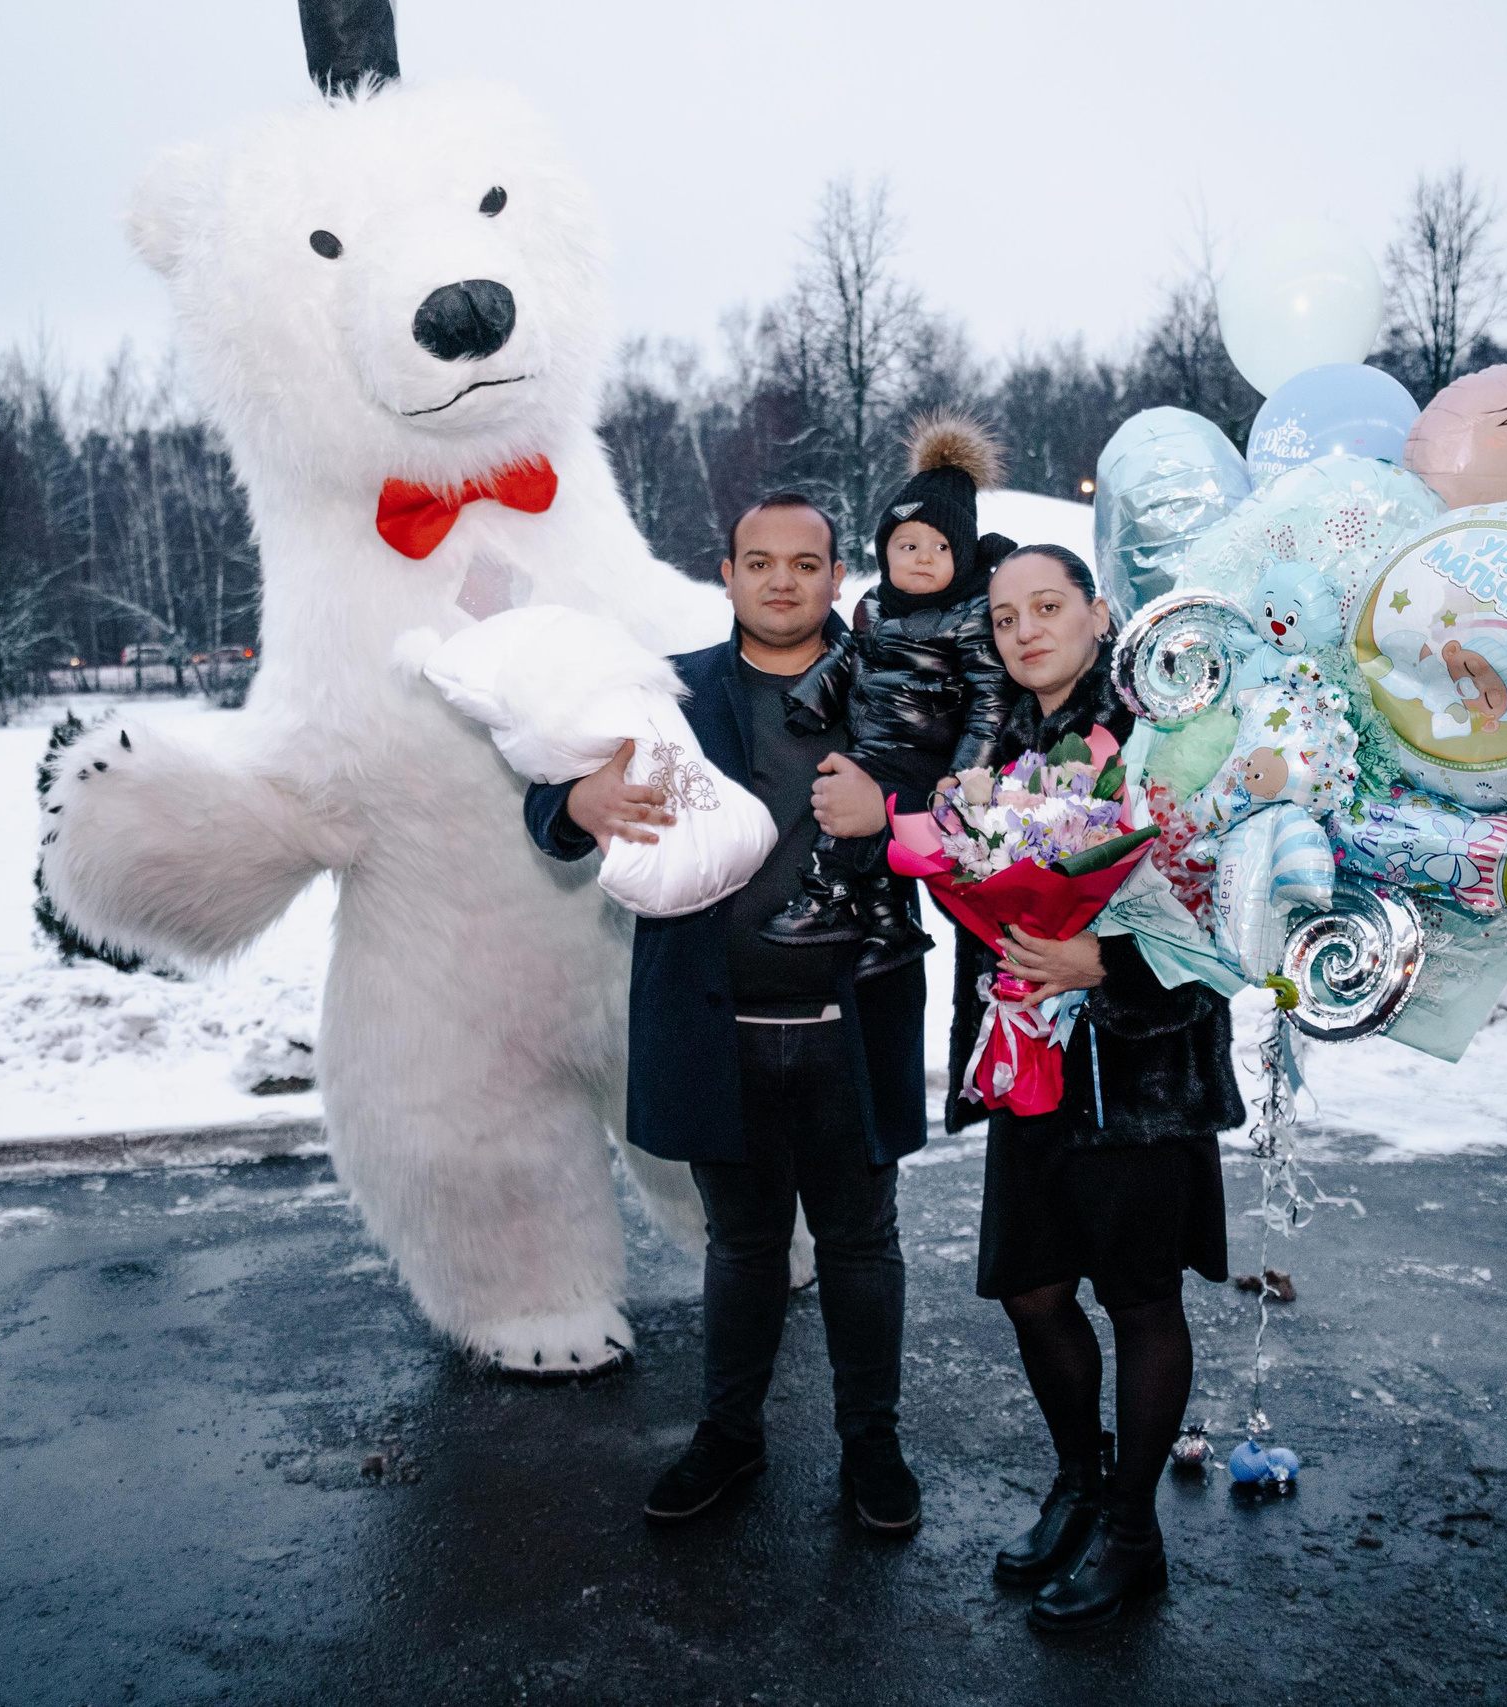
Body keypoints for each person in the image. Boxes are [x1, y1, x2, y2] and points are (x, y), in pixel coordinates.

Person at [522, 494, 929, 1536]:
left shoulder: (893, 688)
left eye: (804, 563)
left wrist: (898, 814)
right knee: (741, 1247)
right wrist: (579, 806)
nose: (783, 581)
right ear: (729, 573)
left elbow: (975, 806)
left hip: (853, 1024)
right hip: (717, 1025)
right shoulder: (672, 693)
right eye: (761, 562)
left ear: (836, 577)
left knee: (858, 1245)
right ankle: (729, 1436)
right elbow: (545, 801)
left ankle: (870, 1447)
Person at [968, 543, 1244, 1635]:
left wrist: (1108, 968)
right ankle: (1079, 1486)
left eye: (1047, 607)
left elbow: (1235, 918)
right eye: (1003, 618)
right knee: (1032, 1289)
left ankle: (1133, 1534)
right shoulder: (1006, 740)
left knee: (1138, 1301)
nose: (1025, 630)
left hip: (1141, 1073)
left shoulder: (1166, 736)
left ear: (1097, 614)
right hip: (1037, 1068)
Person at [763, 414, 1015, 979]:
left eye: (941, 546)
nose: (922, 557)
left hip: (926, 752)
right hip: (877, 740)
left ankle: (826, 893)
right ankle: (887, 921)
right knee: (857, 811)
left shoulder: (970, 616)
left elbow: (989, 704)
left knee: (843, 816)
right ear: (885, 550)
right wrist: (813, 696)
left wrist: (964, 775)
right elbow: (849, 656)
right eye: (908, 544)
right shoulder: (873, 608)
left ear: (964, 557)